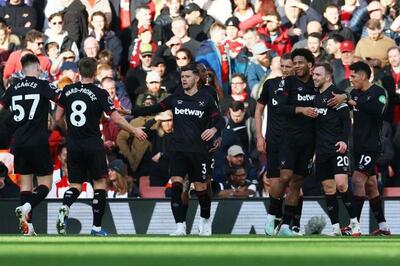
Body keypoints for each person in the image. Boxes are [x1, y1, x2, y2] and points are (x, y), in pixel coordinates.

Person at [55, 57, 147, 236]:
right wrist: (134, 130)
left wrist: (72, 128)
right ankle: (96, 227)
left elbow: (58, 117)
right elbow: (116, 119)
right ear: (95, 72)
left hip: (73, 144)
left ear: (78, 72)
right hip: (93, 144)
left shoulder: (67, 91)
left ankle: (65, 207)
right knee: (99, 184)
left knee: (75, 186)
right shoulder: (100, 92)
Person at [132, 63, 225, 236]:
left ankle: (205, 218)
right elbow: (154, 108)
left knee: (201, 189)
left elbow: (220, 120)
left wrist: (213, 130)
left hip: (200, 150)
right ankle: (180, 226)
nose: (184, 79)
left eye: (187, 76)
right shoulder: (176, 97)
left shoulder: (206, 98)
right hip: (178, 150)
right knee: (176, 185)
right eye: (182, 77)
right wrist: (131, 111)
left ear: (196, 78)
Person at [0, 54, 59, 236]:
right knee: (46, 184)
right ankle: (26, 208)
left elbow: (1, 108)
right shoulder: (42, 85)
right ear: (37, 67)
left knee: (25, 184)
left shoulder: (13, 87)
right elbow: (60, 99)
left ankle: (28, 227)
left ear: (22, 69)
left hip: (19, 143)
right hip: (39, 141)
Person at [312, 63, 361, 236]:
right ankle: (335, 228)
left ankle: (355, 223)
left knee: (341, 184)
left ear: (328, 76)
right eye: (314, 74)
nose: (315, 77)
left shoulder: (336, 94)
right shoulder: (315, 97)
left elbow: (347, 121)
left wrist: (343, 140)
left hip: (337, 147)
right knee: (328, 189)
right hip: (321, 149)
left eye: (318, 74)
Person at [347, 61, 391, 236]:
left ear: (364, 76)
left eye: (353, 76)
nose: (350, 79)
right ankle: (384, 226)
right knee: (371, 185)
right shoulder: (354, 93)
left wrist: (354, 103)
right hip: (357, 146)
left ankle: (354, 225)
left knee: (357, 181)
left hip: (372, 146)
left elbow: (377, 111)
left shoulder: (379, 93)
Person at [255, 53, 293, 235]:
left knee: (294, 181)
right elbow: (259, 109)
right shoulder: (271, 84)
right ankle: (276, 217)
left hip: (297, 141)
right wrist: (259, 136)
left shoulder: (306, 87)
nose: (285, 70)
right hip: (274, 139)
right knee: (276, 179)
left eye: (289, 66)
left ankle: (290, 224)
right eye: (282, 66)